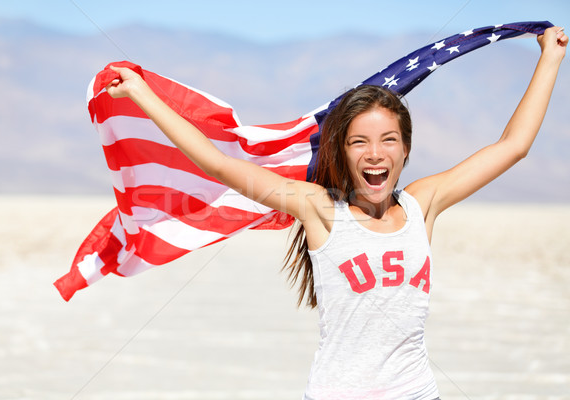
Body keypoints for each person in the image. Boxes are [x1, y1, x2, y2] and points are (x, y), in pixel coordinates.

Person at [105, 26, 567, 400]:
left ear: (405, 150)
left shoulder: (423, 202)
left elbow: (513, 147)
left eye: (388, 140)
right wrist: (143, 95)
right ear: (342, 152)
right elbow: (219, 164)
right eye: (359, 141)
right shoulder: (319, 209)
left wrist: (550, 57)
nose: (375, 153)